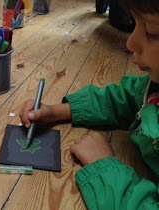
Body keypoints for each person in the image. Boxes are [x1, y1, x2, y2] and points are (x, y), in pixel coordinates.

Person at [19, 0, 159, 208]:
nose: (130, 42)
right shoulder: (154, 86)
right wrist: (59, 111)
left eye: (152, 31)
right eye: (135, 23)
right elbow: (127, 98)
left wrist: (104, 167)